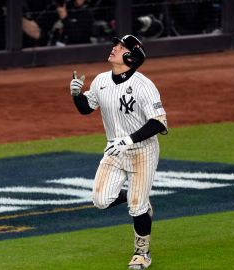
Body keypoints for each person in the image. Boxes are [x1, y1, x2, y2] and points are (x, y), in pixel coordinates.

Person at [69, 34, 168, 269]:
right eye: (116, 44)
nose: (114, 48)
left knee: (136, 206)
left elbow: (159, 123)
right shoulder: (102, 80)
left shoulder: (144, 86)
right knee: (101, 200)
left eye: (121, 46)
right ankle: (141, 202)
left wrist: (129, 139)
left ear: (131, 57)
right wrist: (76, 95)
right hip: (115, 148)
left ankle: (142, 253)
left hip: (143, 151)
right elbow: (86, 108)